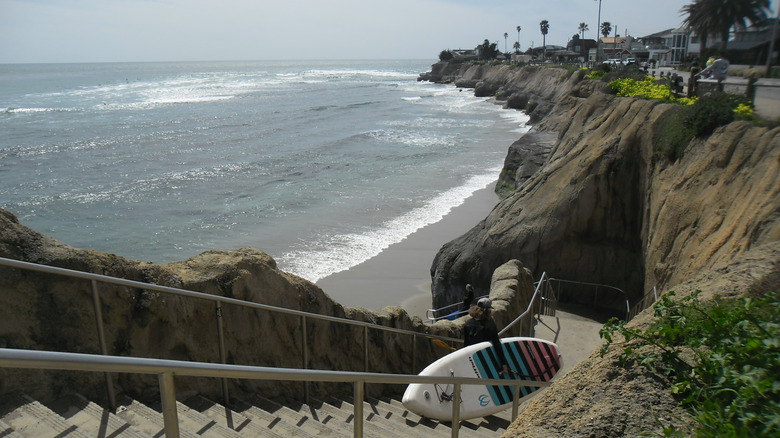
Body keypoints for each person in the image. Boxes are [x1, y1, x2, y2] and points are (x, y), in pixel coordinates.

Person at [464, 298, 510, 374]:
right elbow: (496, 343)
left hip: (472, 357)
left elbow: (466, 343)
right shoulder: (489, 324)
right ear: (488, 311)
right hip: (485, 357)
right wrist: (504, 363)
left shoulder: (468, 323)